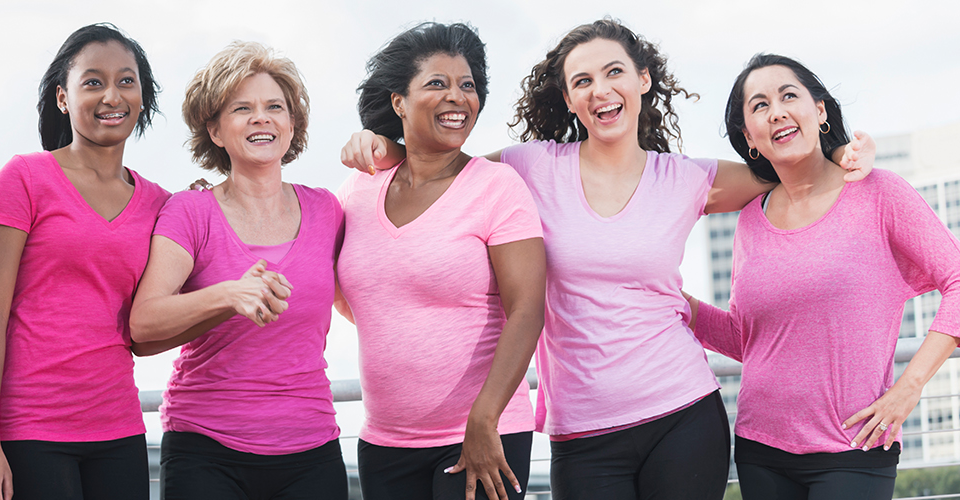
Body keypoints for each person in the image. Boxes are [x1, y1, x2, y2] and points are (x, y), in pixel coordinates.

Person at [339, 18, 874, 500]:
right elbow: (444, 164)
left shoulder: (686, 178)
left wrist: (841, 154)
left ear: (642, 79)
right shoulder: (531, 168)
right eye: (582, 81)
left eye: (614, 71)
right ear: (570, 100)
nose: (601, 90)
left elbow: (787, 169)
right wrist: (383, 146)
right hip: (582, 432)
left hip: (683, 415)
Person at [687, 54, 960, 500]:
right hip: (761, 449)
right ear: (749, 138)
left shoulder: (879, 193)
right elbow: (749, 339)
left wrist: (909, 387)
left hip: (853, 446)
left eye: (788, 95)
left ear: (820, 111)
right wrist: (681, 305)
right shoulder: (751, 221)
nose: (775, 110)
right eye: (759, 105)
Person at [335, 22, 544, 500]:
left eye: (467, 85)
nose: (458, 97)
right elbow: (351, 294)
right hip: (383, 442)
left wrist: (484, 418)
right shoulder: (357, 191)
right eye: (437, 83)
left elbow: (528, 310)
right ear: (398, 103)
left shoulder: (498, 187)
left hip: (482, 434)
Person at [130, 41, 346, 500]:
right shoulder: (189, 211)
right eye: (241, 108)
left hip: (312, 448)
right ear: (215, 130)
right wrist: (228, 294)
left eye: (274, 107)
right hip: (205, 449)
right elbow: (142, 323)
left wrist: (383, 143)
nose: (261, 118)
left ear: (292, 126)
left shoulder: (328, 209)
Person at [0, 23, 170, 500]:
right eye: (93, 82)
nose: (112, 96)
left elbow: (144, 333)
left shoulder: (161, 204)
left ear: (143, 94)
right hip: (31, 430)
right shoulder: (25, 178)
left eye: (126, 80)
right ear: (63, 98)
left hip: (120, 429)